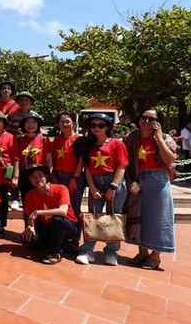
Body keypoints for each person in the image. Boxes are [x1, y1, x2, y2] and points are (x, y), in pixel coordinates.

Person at [123, 108, 178, 270]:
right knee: (138, 216)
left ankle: (155, 256)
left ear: (158, 122)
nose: (146, 121)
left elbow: (169, 160)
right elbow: (124, 162)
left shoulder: (166, 138)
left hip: (157, 179)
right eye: (143, 117)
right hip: (137, 179)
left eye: (151, 118)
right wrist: (130, 181)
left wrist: (159, 139)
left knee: (158, 218)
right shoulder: (131, 138)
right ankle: (142, 252)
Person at [77, 113, 128, 266]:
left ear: (108, 127)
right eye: (93, 125)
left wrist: (114, 186)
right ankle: (87, 251)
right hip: (96, 182)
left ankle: (111, 252)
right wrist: (92, 187)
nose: (97, 128)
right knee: (94, 216)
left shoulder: (117, 144)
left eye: (101, 125)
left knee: (114, 216)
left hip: (114, 181)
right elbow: (87, 169)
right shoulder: (88, 145)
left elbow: (121, 166)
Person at [20, 164, 79, 264]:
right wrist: (30, 227)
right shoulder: (30, 195)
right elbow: (29, 216)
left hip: (67, 226)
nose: (37, 179)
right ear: (30, 180)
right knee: (26, 238)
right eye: (34, 177)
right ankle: (61, 244)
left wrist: (38, 212)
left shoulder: (61, 188)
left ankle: (55, 253)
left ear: (46, 177)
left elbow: (63, 211)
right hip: (47, 226)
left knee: (57, 219)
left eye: (40, 176)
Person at [50, 112, 85, 241]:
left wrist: (74, 179)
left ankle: (74, 239)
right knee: (60, 207)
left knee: (74, 208)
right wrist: (53, 176)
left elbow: (81, 161)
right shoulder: (56, 140)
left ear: (73, 123)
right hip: (58, 176)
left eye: (67, 121)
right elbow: (52, 159)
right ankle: (61, 237)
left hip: (73, 177)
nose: (65, 124)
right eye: (62, 121)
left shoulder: (79, 140)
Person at [15, 112, 51, 211]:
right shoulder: (19, 140)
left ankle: (41, 226)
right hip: (25, 175)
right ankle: (28, 225)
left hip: (40, 176)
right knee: (27, 202)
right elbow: (17, 159)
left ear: (38, 124)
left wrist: (50, 177)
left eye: (33, 122)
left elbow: (49, 160)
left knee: (41, 201)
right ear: (23, 125)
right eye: (28, 122)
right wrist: (16, 176)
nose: (31, 125)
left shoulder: (44, 139)